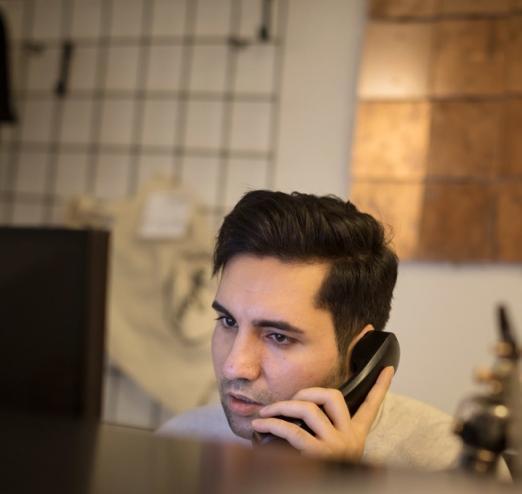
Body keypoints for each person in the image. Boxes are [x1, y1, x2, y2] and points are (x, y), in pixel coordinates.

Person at [156, 190, 463, 470]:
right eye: (229, 322)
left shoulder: (449, 463)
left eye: (278, 337)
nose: (234, 365)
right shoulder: (178, 443)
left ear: (361, 356)